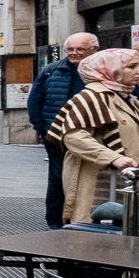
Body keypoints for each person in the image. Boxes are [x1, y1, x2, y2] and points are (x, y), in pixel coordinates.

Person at [47, 48, 139, 226]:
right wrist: (114, 158)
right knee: (97, 232)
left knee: (129, 231)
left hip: (130, 180)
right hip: (100, 180)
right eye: (132, 66)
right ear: (110, 70)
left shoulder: (127, 98)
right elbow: (74, 137)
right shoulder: (91, 97)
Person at [30, 31, 98, 228]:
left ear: (94, 50)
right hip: (57, 137)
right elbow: (35, 101)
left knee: (88, 181)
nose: (74, 53)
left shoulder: (103, 72)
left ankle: (85, 220)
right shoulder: (52, 71)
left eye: (80, 49)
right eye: (70, 49)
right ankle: (55, 222)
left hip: (92, 138)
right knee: (58, 180)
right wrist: (44, 130)